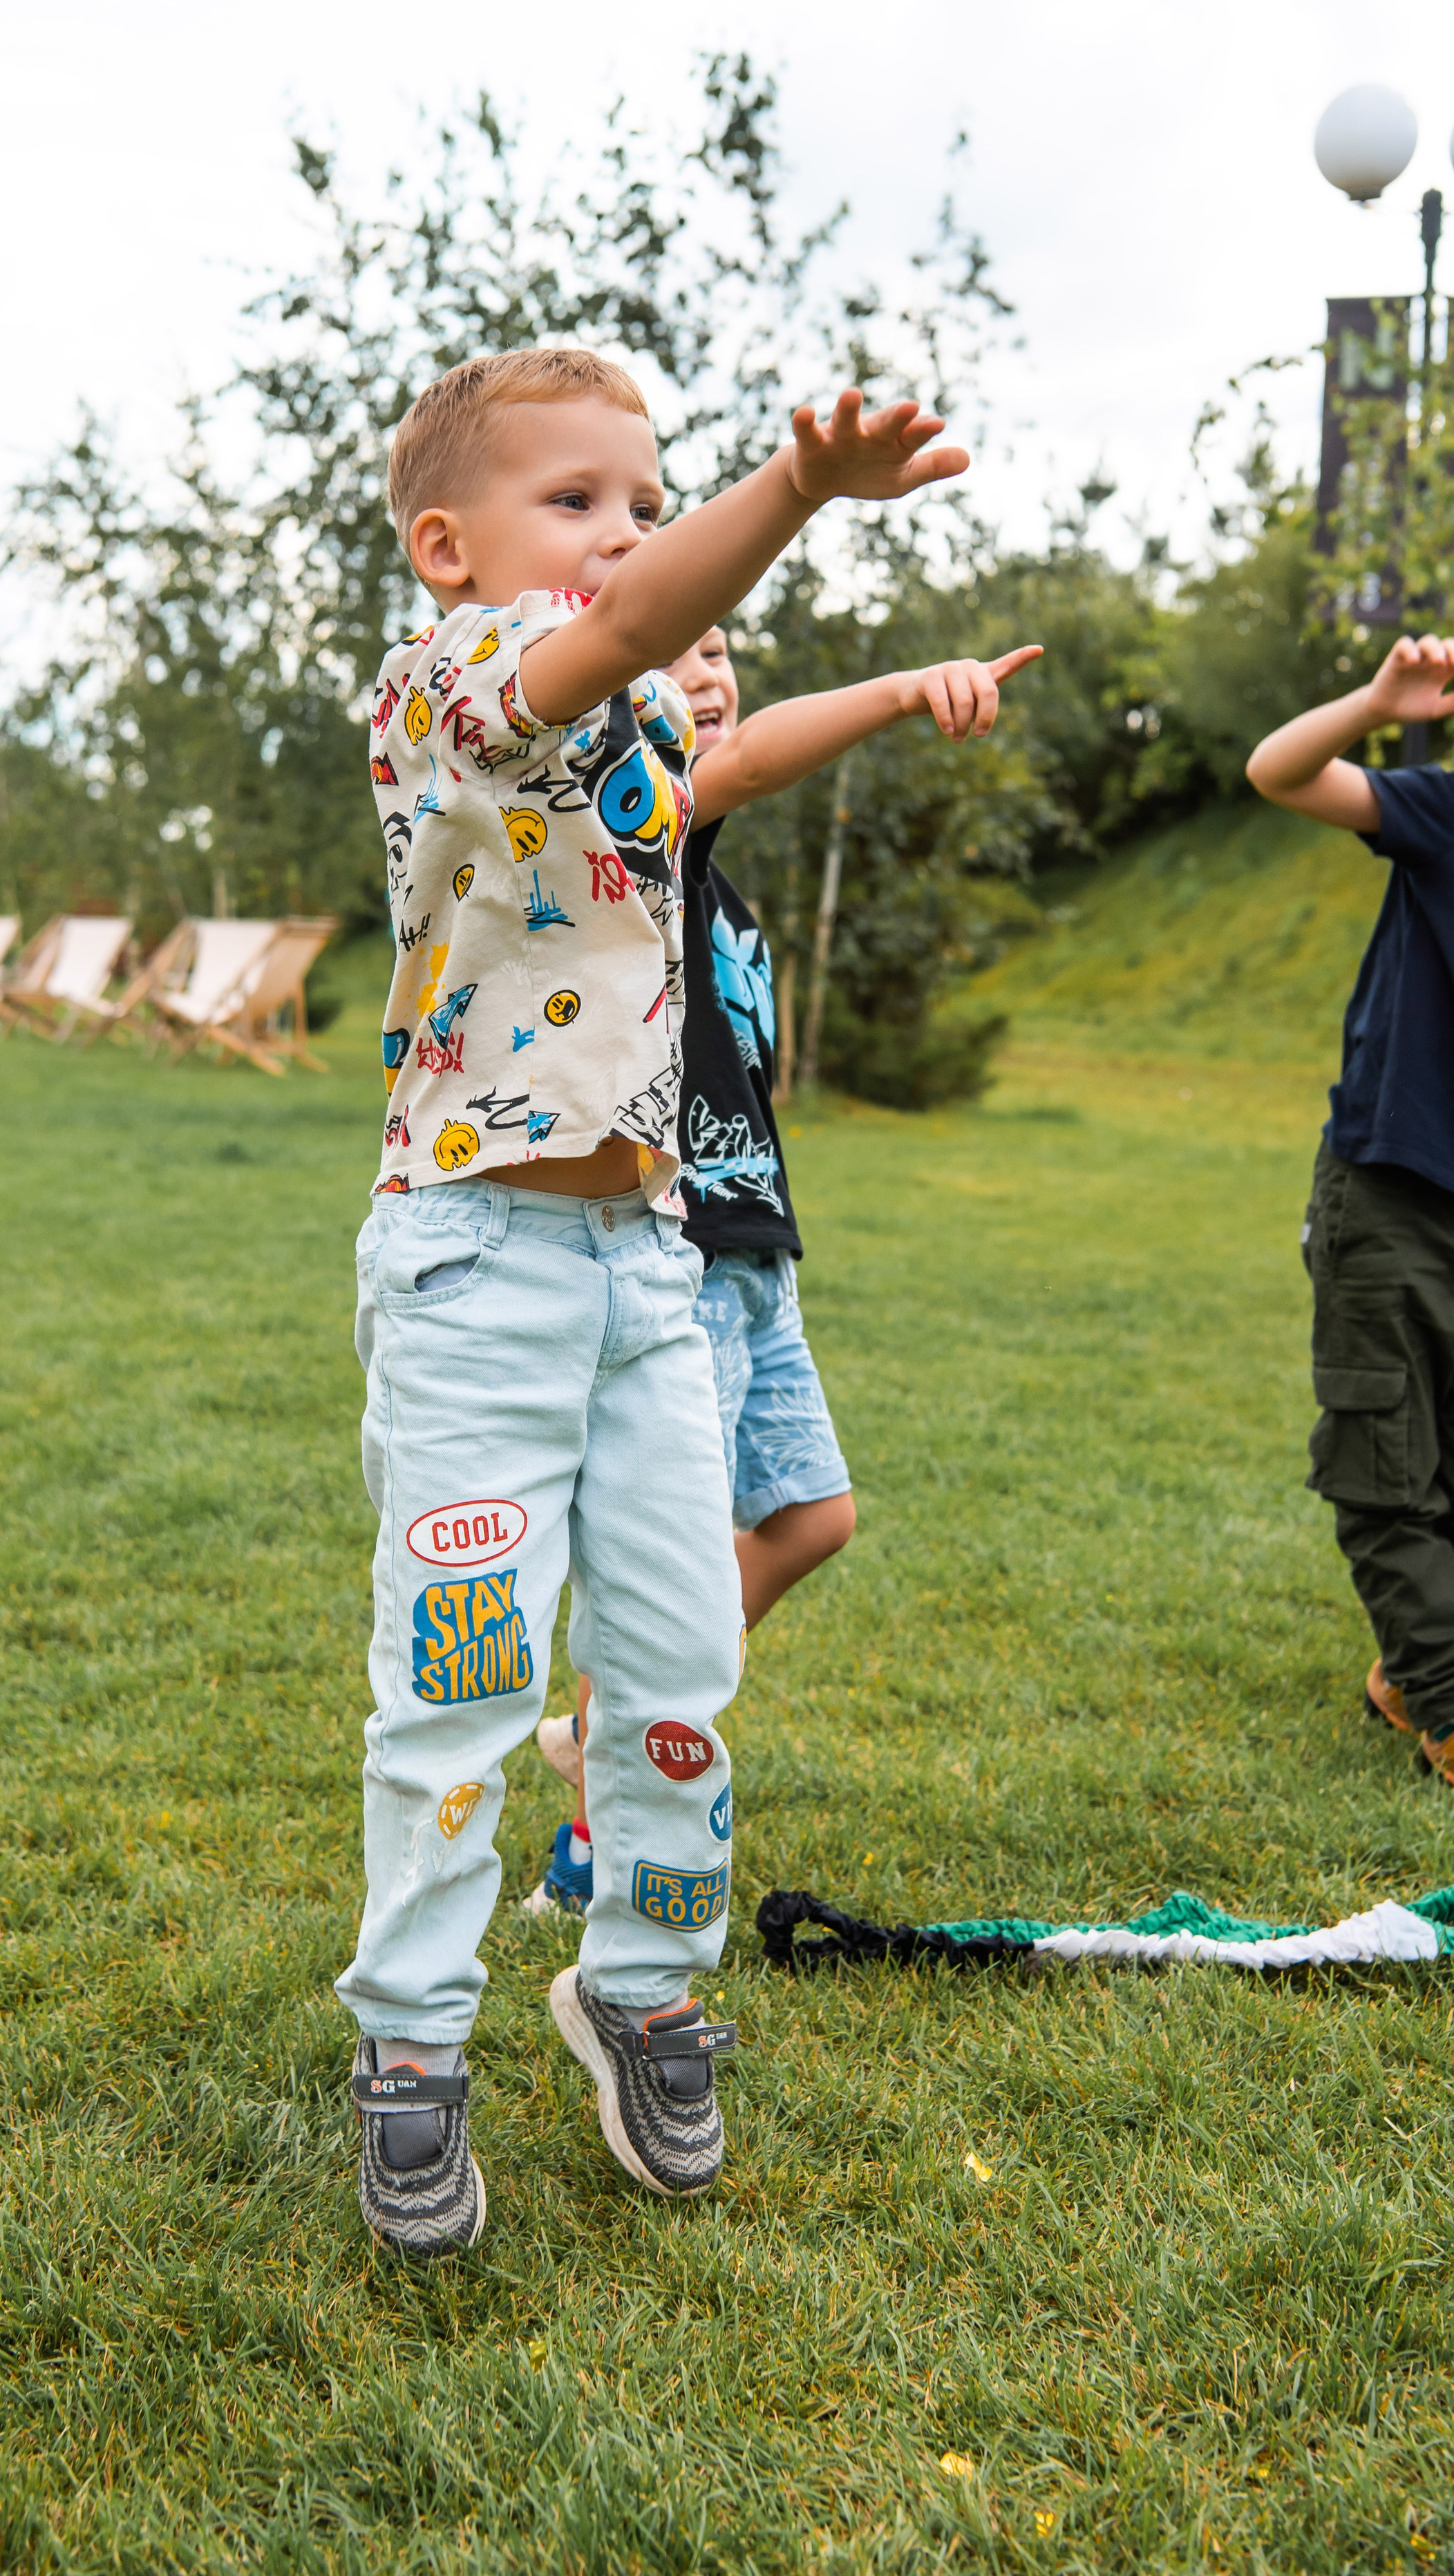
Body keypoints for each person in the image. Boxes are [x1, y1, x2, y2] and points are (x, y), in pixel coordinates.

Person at [343, 345, 970, 2257]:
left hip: (653, 1264)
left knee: (683, 1664)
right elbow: (626, 628)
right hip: (475, 1263)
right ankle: (412, 2046)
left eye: (645, 493)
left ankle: (641, 1979)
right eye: (578, 499)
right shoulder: (446, 688)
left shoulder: (624, 747)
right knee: (462, 1683)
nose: (619, 531)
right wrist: (787, 498)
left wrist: (900, 683)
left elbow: (735, 753)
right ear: (449, 549)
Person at [526, 623, 1040, 1913]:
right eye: (683, 649)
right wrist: (903, 689)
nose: (713, 670)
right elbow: (742, 762)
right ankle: (592, 1835)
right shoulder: (646, 835)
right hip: (678, 1262)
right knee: (671, 1568)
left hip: (759, 1256)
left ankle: (624, 1706)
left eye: (723, 651)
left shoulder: (729, 896)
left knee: (816, 1517)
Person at [1247, 634, 1454, 1786]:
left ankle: (1406, 1670)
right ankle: (1445, 1696)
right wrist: (1378, 703)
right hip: (1393, 1190)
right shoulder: (1440, 814)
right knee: (1391, 1467)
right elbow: (1278, 772)